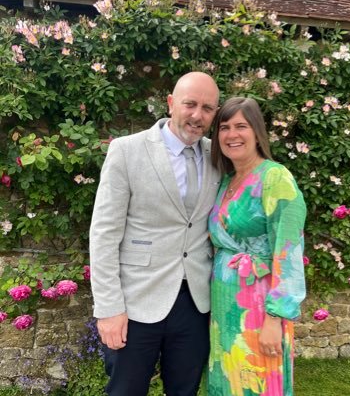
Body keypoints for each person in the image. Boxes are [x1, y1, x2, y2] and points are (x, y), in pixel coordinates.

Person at [89, 72, 220, 396]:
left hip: (195, 304)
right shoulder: (127, 151)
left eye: (207, 108)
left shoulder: (218, 156)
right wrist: (108, 309)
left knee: (184, 391)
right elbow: (104, 234)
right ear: (171, 103)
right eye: (190, 104)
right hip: (135, 303)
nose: (197, 115)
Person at [208, 97, 306, 396]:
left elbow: (288, 253)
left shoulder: (275, 177)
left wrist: (275, 319)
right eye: (224, 127)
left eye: (241, 126)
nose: (231, 134)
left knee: (257, 383)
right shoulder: (227, 180)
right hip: (224, 306)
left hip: (260, 307)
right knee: (227, 382)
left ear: (257, 132)